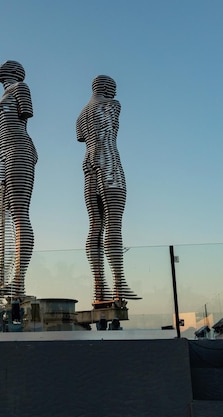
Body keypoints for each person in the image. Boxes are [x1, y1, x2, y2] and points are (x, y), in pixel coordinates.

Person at [76, 75, 140, 303]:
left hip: (88, 162)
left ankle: (99, 289)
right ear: (106, 87)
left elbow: (80, 137)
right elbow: (112, 131)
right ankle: (120, 286)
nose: (115, 91)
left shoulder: (82, 113)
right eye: (113, 87)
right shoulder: (112, 104)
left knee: (95, 225)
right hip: (109, 160)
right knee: (113, 221)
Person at [0, 60, 37, 299]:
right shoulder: (5, 93)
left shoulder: (20, 87)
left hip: (18, 148)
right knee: (2, 220)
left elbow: (25, 116)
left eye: (2, 64)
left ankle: (18, 282)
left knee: (18, 214)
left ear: (15, 70)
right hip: (1, 153)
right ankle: (1, 279)